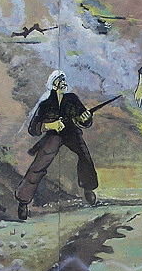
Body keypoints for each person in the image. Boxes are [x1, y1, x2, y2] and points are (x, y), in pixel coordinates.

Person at [15, 70, 98, 220]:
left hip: (72, 133)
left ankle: (88, 189)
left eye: (64, 80)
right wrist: (50, 126)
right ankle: (23, 201)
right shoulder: (46, 105)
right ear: (53, 85)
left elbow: (84, 120)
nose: (64, 83)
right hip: (53, 136)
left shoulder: (72, 99)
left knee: (84, 155)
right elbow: (33, 129)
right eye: (60, 81)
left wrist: (86, 118)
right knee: (39, 165)